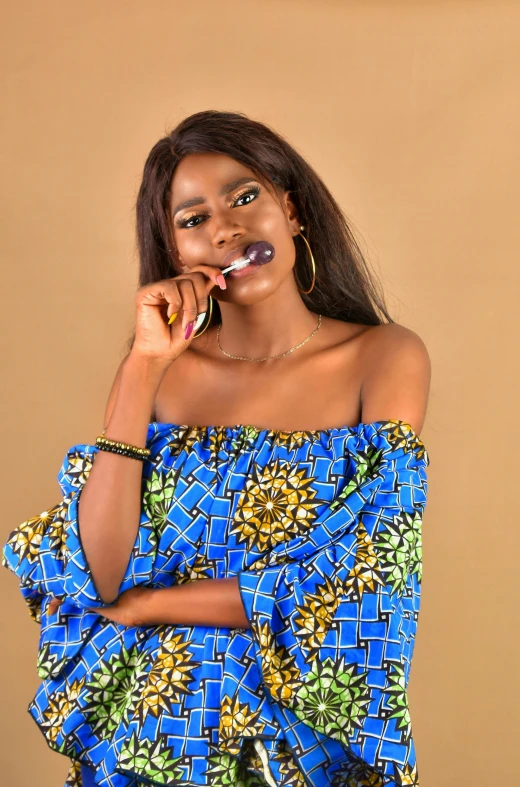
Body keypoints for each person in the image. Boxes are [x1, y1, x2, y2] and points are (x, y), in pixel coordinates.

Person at [3, 110, 431, 787]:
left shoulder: (382, 357)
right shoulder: (164, 373)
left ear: (291, 212)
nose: (225, 226)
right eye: (193, 218)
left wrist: (156, 603)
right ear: (178, 256)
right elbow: (96, 572)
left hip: (295, 743)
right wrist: (142, 366)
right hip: (153, 734)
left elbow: (365, 582)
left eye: (243, 196)